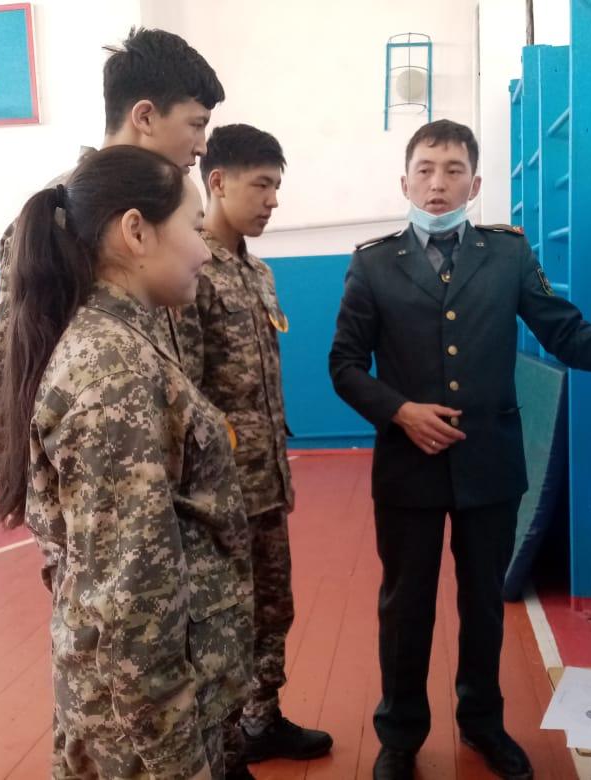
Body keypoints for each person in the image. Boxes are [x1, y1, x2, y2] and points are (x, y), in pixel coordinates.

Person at [328, 119, 591, 780]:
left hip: (490, 465)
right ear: (405, 181)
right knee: (405, 607)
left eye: (453, 170)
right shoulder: (373, 263)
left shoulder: (506, 255)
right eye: (425, 169)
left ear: (475, 184)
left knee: (484, 605)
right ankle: (401, 735)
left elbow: (564, 333)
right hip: (408, 467)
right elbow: (345, 364)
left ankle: (482, 723)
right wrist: (401, 412)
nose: (438, 183)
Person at [0, 145, 253, 780]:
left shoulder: (121, 341)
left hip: (150, 710)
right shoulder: (113, 372)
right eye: (194, 227)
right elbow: (132, 597)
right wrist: (176, 762)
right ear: (136, 231)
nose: (205, 251)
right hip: (145, 734)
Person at [0, 27, 224, 477]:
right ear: (145, 116)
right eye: (196, 124)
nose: (203, 146)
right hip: (101, 489)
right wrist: (33, 493)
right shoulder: (64, 215)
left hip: (167, 472)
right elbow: (3, 373)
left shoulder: (171, 211)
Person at [175, 124, 334, 772]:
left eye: (276, 186)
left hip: (266, 483)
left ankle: (262, 719)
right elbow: (184, 389)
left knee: (273, 609)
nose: (273, 200)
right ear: (217, 182)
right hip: (219, 494)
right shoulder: (192, 268)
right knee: (224, 623)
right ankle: (224, 748)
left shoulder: (257, 272)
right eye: (261, 185)